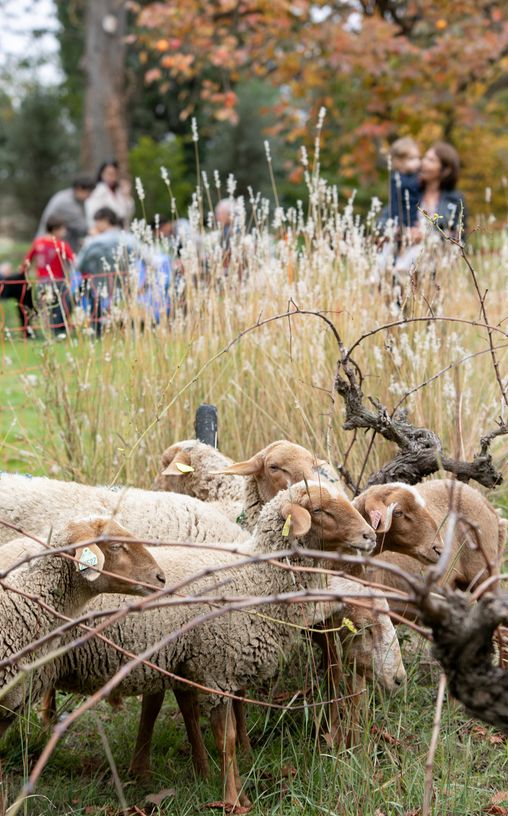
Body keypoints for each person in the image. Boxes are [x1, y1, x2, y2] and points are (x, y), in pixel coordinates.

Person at [75, 207, 138, 335]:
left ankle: (96, 330)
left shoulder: (93, 241)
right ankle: (128, 328)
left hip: (98, 284)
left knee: (92, 296)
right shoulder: (130, 239)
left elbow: (78, 264)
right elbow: (149, 260)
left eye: (97, 222)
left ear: (104, 221)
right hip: (124, 284)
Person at [21, 217, 75, 335]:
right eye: (62, 229)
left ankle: (48, 333)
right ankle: (58, 331)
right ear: (56, 229)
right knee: (61, 306)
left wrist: (24, 273)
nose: (64, 232)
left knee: (46, 308)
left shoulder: (38, 243)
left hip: (42, 281)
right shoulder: (61, 244)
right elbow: (74, 260)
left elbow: (26, 262)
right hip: (58, 281)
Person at [37, 176, 96, 252]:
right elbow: (82, 227)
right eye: (89, 193)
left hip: (54, 245)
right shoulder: (67, 202)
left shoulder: (69, 197)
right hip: (49, 247)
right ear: (79, 188)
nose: (89, 196)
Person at [85, 161, 135, 228]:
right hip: (104, 231)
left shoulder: (120, 191)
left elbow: (128, 215)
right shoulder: (96, 192)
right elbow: (92, 215)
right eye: (109, 173)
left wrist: (126, 197)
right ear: (101, 174)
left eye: (114, 173)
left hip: (121, 230)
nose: (112, 177)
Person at [388, 137, 421, 228]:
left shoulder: (414, 175)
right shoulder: (397, 179)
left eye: (418, 158)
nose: (418, 162)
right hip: (405, 220)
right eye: (411, 159)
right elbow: (395, 206)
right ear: (398, 161)